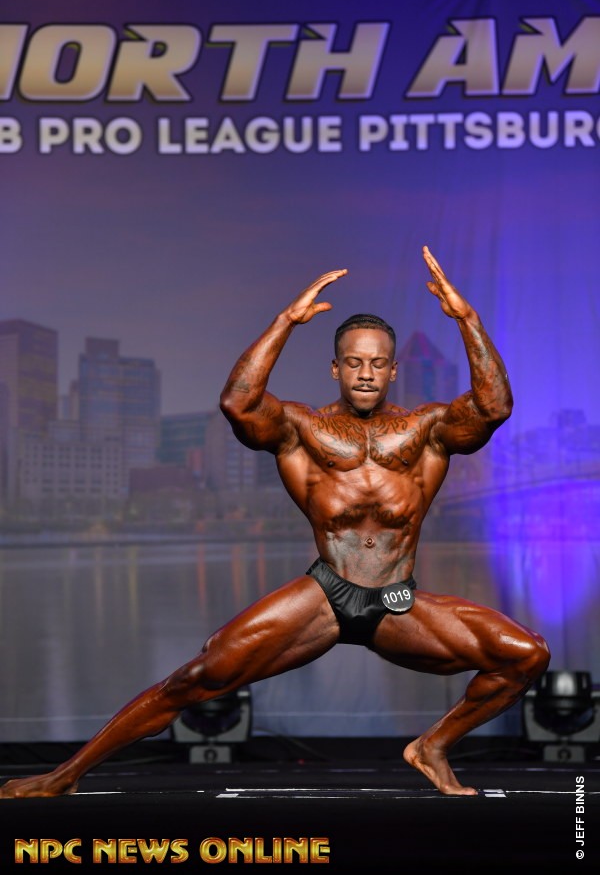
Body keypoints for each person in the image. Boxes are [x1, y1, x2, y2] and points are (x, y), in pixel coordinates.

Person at [0, 245, 549, 799]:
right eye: (354, 362)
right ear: (336, 368)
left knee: (525, 656)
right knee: (196, 679)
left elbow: (494, 407)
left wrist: (466, 318)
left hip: (396, 603)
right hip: (325, 596)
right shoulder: (301, 429)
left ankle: (432, 746)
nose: (365, 373)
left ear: (392, 370)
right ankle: (62, 776)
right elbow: (238, 405)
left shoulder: (426, 430)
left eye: (377, 363)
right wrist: (286, 321)